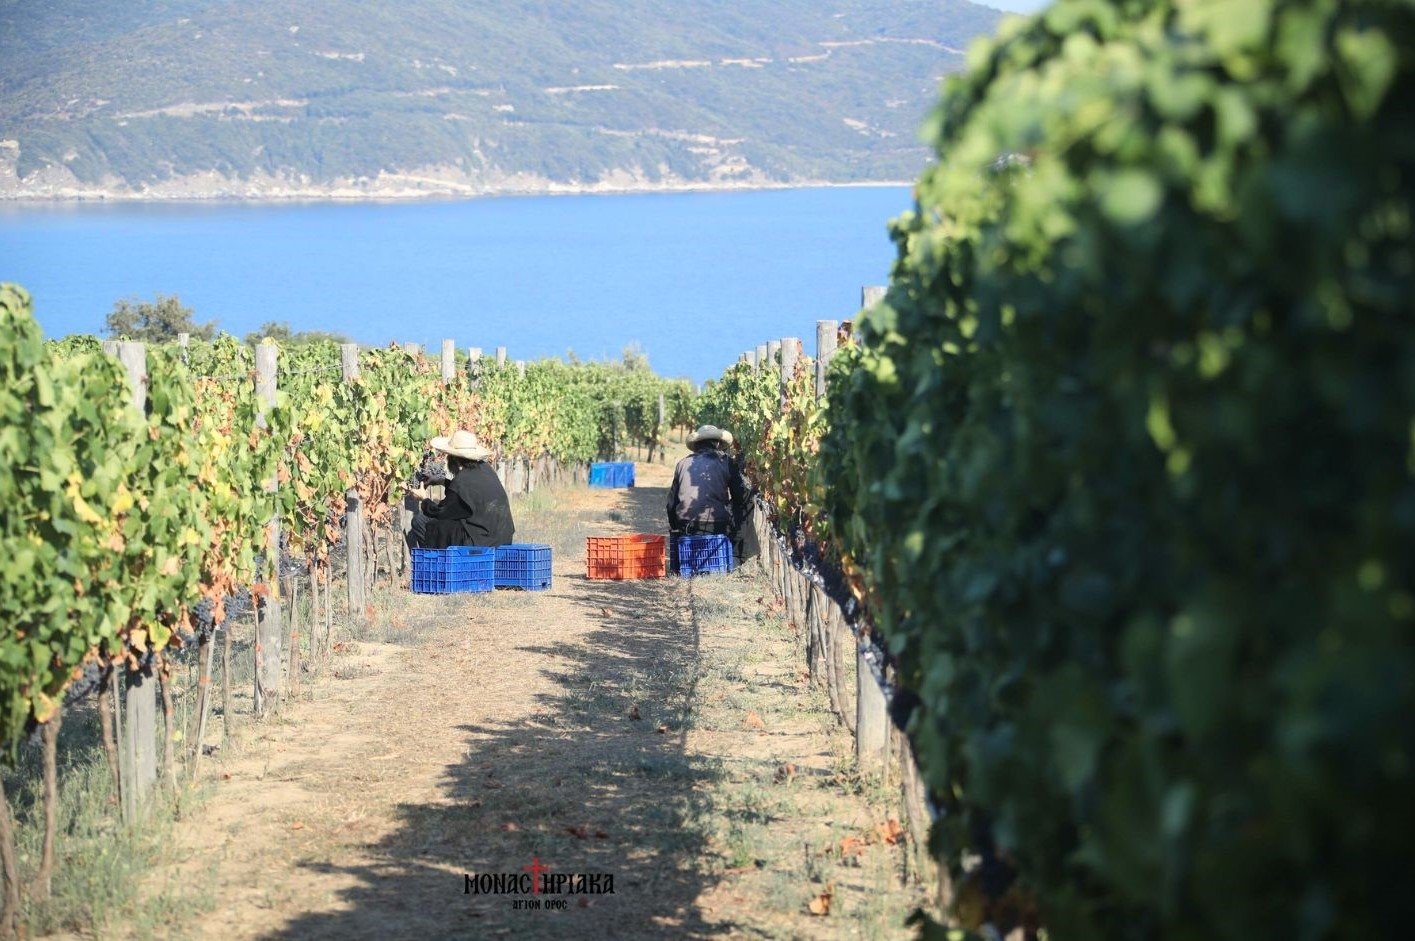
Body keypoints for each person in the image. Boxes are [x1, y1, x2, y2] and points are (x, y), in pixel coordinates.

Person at [405, 429, 515, 549]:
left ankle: (436, 563)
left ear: (454, 459)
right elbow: (469, 495)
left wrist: (424, 499)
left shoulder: (462, 480)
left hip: (481, 543)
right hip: (502, 539)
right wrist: (442, 481)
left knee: (422, 521)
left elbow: (441, 512)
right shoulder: (485, 469)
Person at [667, 424, 749, 569]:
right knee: (747, 503)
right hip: (716, 527)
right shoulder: (726, 462)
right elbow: (740, 497)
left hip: (686, 528)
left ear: (696, 445)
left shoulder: (682, 463)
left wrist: (676, 528)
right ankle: (737, 556)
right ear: (718, 443)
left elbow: (671, 504)